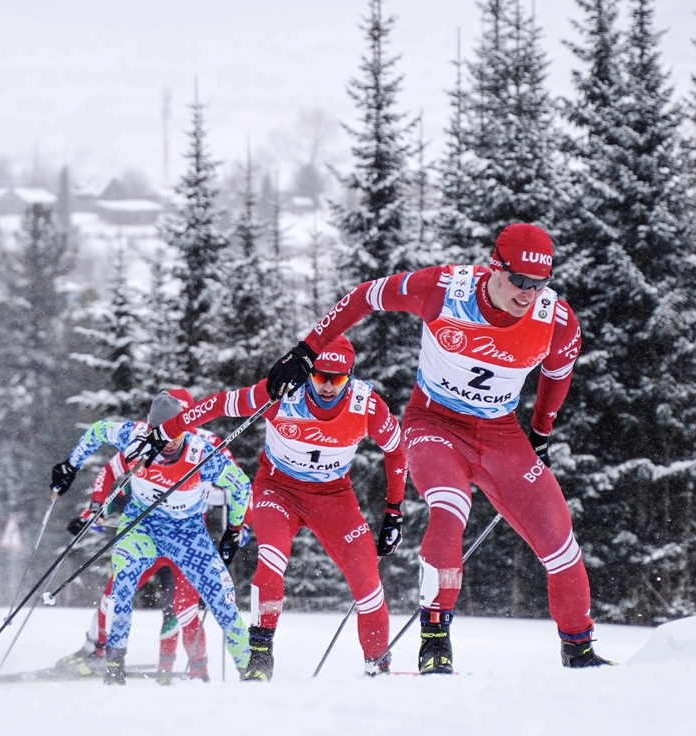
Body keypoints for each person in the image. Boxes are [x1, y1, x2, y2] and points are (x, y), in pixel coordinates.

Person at [262, 223, 612, 673]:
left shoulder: (556, 321)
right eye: (519, 281)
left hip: (500, 434)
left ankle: (579, 650)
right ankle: (435, 643)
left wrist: (540, 435)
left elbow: (557, 377)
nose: (528, 294)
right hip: (434, 423)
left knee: (560, 541)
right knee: (450, 508)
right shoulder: (444, 289)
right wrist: (307, 350)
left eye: (539, 283)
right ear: (494, 267)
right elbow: (366, 295)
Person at [126, 336, 407, 680]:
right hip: (278, 490)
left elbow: (397, 451)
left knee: (367, 579)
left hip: (333, 496)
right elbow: (218, 404)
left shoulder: (367, 406)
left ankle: (377, 665)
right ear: (309, 371)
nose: (329, 386)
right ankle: (260, 658)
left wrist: (394, 510)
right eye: (320, 377)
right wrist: (165, 432)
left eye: (338, 378)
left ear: (350, 375)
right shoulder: (283, 391)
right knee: (271, 560)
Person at [50, 389, 252, 684]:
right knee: (122, 584)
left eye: (175, 434)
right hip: (142, 525)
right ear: (149, 426)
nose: (167, 442)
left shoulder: (202, 453)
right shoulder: (133, 437)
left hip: (187, 533)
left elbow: (242, 485)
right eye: (160, 433)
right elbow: (97, 432)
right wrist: (70, 466)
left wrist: (235, 530)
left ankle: (250, 673)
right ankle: (113, 667)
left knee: (222, 599)